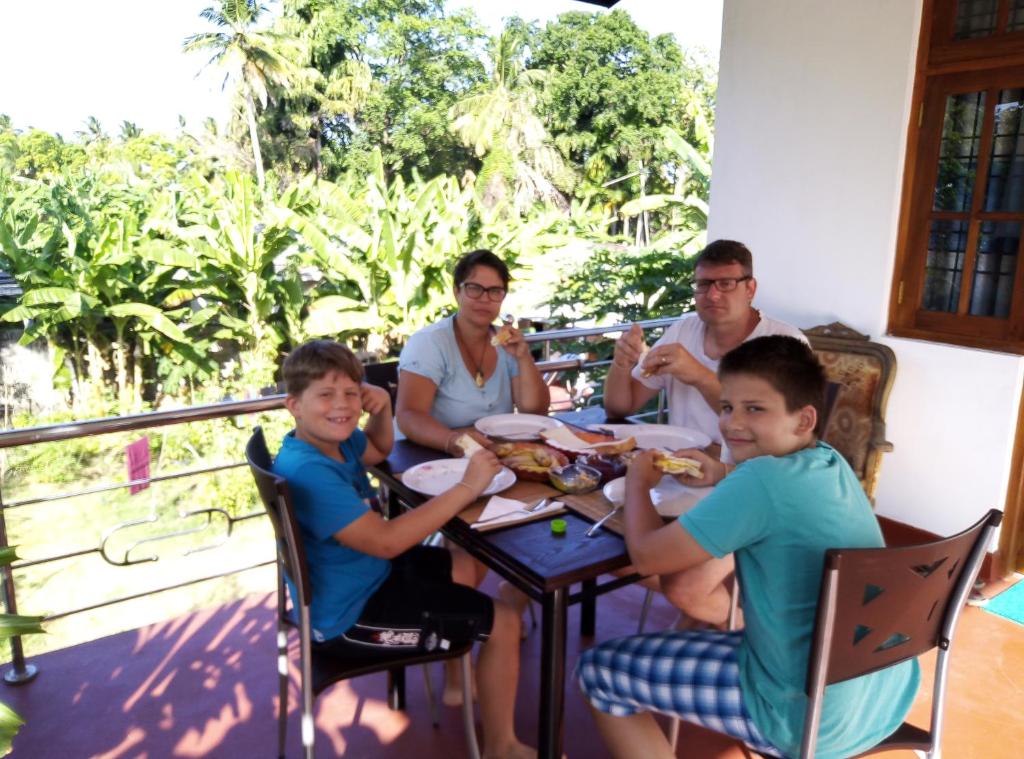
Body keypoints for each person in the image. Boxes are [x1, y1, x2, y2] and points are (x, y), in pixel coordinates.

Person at [576, 336, 919, 759]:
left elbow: (646, 556)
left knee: (599, 671)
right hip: (879, 694)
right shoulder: (830, 461)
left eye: (754, 409)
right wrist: (721, 472)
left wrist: (636, 484)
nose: (732, 423)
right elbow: (775, 498)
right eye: (726, 407)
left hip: (805, 715)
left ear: (804, 419)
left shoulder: (760, 482)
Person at [273, 339, 535, 759]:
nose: (342, 406)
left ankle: (456, 682)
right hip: (350, 618)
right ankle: (502, 747)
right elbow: (387, 540)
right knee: (503, 622)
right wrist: (469, 484)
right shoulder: (309, 471)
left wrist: (382, 410)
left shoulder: (328, 443)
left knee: (466, 562)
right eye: (325, 394)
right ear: (294, 404)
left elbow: (378, 449)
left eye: (351, 393)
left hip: (366, 575)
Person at [603, 239, 806, 626]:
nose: (712, 294)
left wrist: (697, 375)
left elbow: (771, 440)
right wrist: (620, 363)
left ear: (751, 288)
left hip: (748, 483)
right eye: (703, 284)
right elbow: (621, 405)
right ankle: (713, 619)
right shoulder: (682, 330)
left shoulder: (783, 345)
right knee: (607, 551)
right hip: (677, 477)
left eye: (725, 283)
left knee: (662, 571)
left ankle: (737, 624)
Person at [397, 249, 550, 455]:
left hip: (493, 454)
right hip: (433, 456)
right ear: (456, 292)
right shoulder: (430, 342)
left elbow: (534, 412)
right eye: (474, 288)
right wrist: (455, 441)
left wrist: (524, 357)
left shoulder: (507, 342)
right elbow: (409, 415)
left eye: (495, 291)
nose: (485, 299)